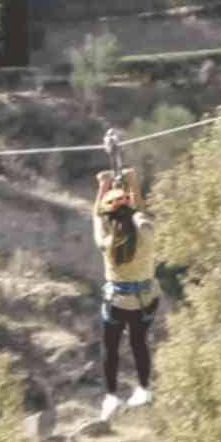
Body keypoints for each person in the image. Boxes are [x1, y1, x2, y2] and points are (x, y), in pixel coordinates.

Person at [93, 167, 159, 422]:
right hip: (145, 300)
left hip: (118, 302)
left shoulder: (106, 244)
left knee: (110, 348)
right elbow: (142, 212)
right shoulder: (146, 234)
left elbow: (97, 217)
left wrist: (103, 186)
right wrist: (133, 182)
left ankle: (111, 396)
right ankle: (143, 388)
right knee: (138, 342)